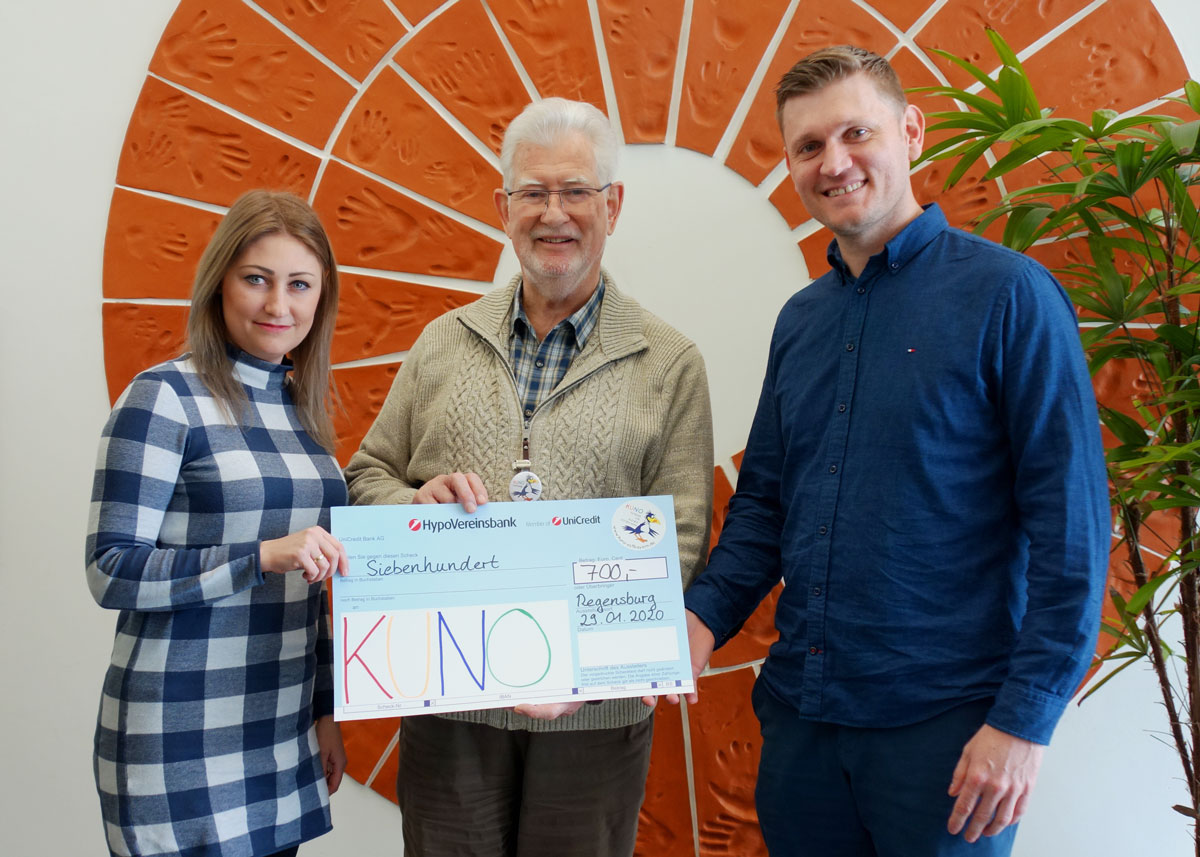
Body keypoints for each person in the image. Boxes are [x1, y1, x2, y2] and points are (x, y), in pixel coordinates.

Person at [681, 46, 1109, 856]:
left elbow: (1072, 532)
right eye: (809, 146)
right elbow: (766, 506)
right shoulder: (800, 321)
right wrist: (699, 619)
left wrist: (1025, 721)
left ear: (910, 132)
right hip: (803, 729)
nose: (834, 163)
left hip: (948, 738)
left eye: (856, 133)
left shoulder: (1010, 296)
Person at [345, 96, 714, 857]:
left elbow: (680, 535)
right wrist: (413, 501)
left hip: (595, 716)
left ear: (612, 205)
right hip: (451, 704)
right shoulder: (441, 343)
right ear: (502, 208)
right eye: (533, 192)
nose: (554, 213)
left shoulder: (669, 362)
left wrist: (582, 669)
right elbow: (365, 477)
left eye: (576, 191)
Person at [86, 190, 350, 857]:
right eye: (256, 278)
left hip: (278, 732)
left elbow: (311, 589)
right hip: (178, 738)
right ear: (219, 283)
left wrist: (324, 709)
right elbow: (110, 569)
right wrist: (258, 556)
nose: (278, 304)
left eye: (299, 284)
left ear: (321, 296)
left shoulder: (301, 412)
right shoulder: (163, 397)